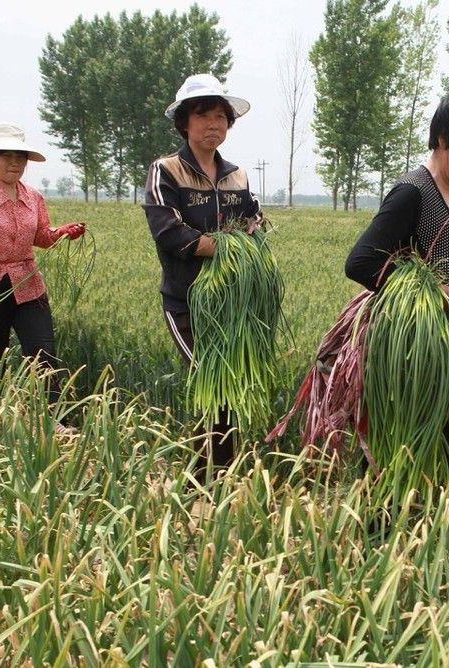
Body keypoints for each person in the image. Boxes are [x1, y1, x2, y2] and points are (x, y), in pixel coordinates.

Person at [345, 86, 449, 556]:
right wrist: (437, 294)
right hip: (412, 359)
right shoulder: (412, 192)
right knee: (398, 455)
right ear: (445, 139)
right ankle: (377, 556)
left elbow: (435, 259)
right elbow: (361, 262)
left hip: (447, 353)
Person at [143, 73, 261, 478]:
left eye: (220, 116)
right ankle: (205, 481)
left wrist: (254, 231)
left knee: (228, 389)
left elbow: (253, 220)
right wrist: (229, 246)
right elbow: (169, 232)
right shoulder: (166, 171)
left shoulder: (237, 175)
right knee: (212, 381)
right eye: (203, 115)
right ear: (184, 122)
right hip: (186, 303)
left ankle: (214, 478)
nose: (213, 124)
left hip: (231, 304)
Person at [0, 122, 86, 434]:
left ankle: (55, 422)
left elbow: (41, 236)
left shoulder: (33, 196)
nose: (14, 163)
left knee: (44, 353)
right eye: (6, 156)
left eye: (20, 157)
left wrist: (62, 232)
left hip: (28, 284)